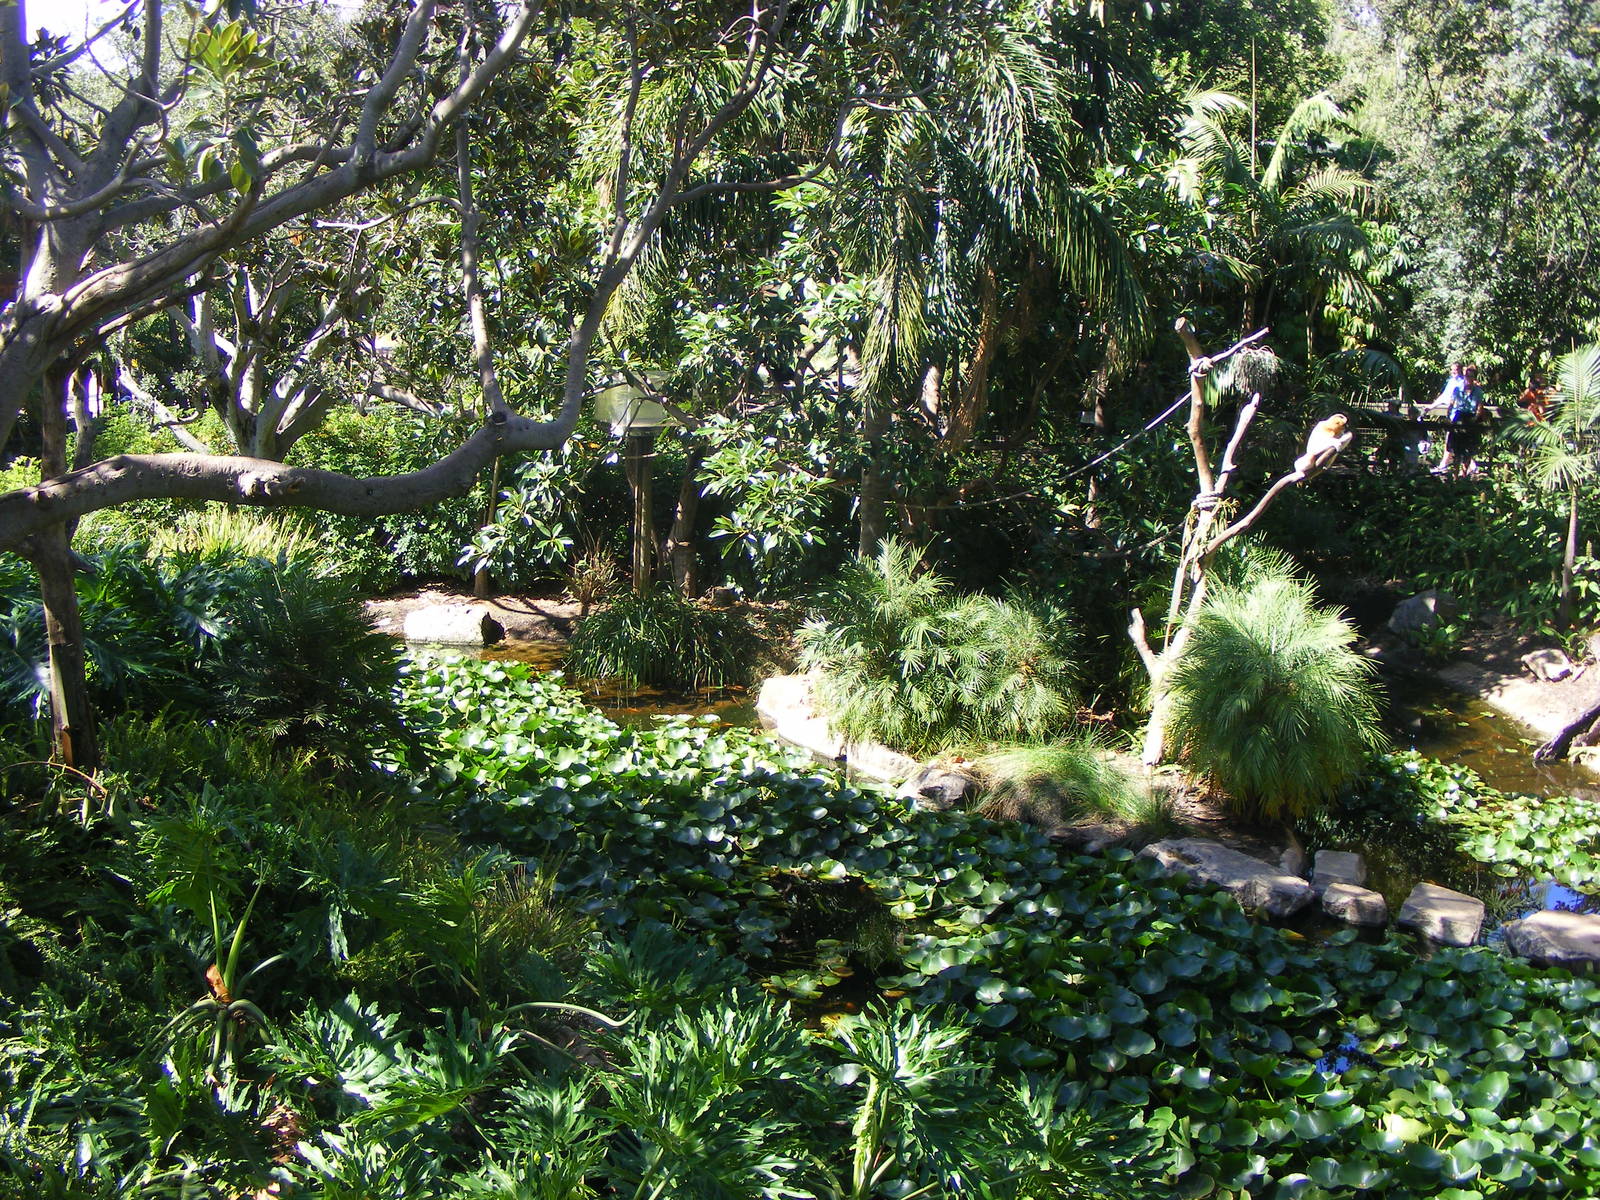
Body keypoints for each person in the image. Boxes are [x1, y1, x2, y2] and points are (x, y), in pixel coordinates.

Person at [1437, 364, 1485, 477]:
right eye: (1467, 376)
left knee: (1468, 450)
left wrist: (1475, 419)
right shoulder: (1458, 389)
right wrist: (1449, 417)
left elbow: (1479, 407)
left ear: (1474, 378)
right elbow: (1451, 404)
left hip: (1470, 418)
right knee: (1456, 449)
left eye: (1471, 376)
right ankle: (1455, 476)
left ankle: (1463, 475)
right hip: (1458, 417)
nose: (1468, 378)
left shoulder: (1478, 391)